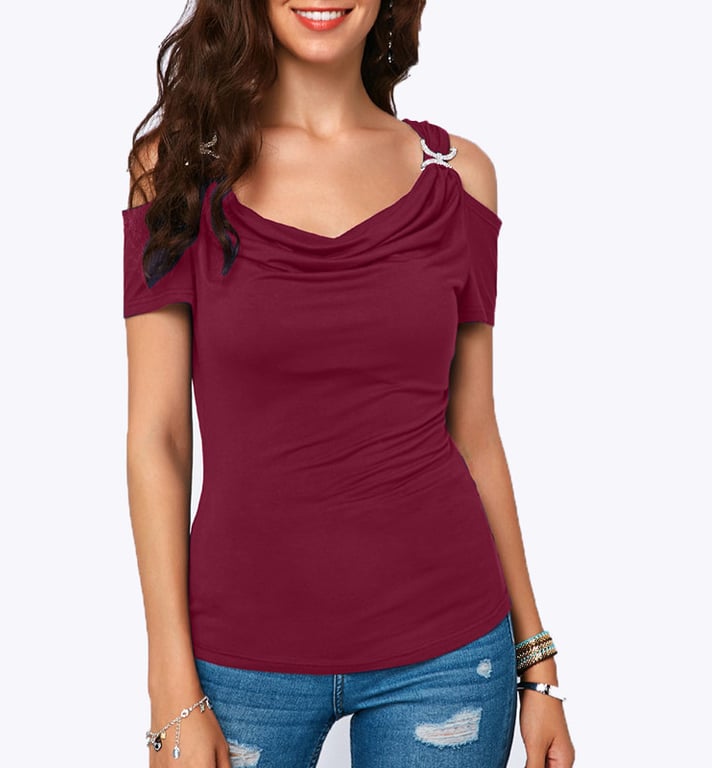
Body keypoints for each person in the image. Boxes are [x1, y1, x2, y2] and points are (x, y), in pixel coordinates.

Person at [123, 2, 575, 767]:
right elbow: (157, 439)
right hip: (238, 659)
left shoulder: (458, 176)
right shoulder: (173, 170)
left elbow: (475, 432)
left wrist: (538, 659)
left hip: (448, 657)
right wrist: (169, 682)